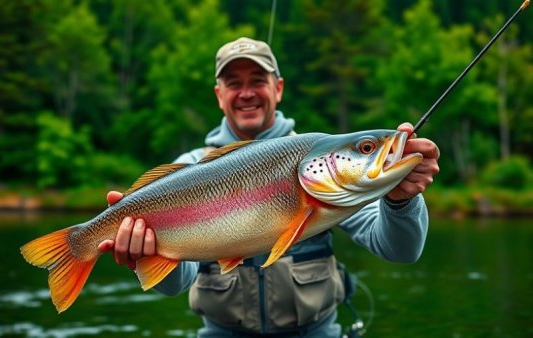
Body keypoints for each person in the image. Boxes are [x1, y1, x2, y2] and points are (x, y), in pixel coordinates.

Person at [98, 37, 440, 337]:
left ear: (278, 88)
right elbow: (178, 284)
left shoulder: (326, 168)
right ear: (219, 95)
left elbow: (401, 251)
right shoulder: (189, 168)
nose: (246, 93)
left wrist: (400, 201)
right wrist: (146, 253)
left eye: (258, 80)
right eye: (234, 83)